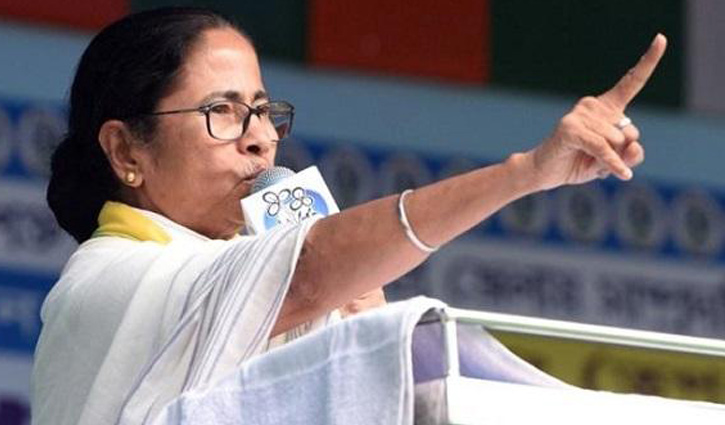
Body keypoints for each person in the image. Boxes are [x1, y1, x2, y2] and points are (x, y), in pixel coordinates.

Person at [30, 6, 666, 425]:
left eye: (263, 111)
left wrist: (362, 331)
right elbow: (305, 274)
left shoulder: (239, 271)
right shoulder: (107, 279)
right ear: (126, 150)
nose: (261, 139)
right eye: (222, 112)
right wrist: (526, 173)